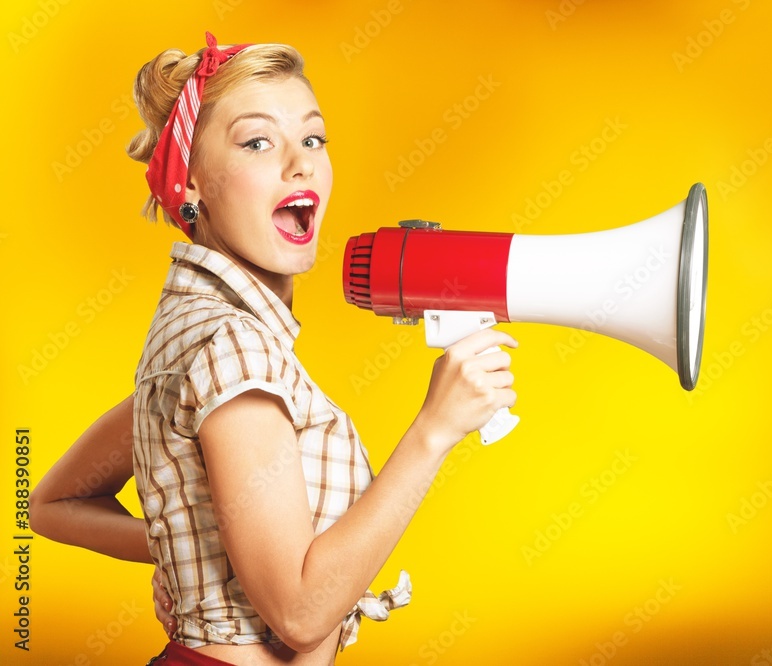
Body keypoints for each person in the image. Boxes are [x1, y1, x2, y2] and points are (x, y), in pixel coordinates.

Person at [31, 33, 517, 666]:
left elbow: (52, 506)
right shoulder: (232, 346)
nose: (301, 163)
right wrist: (435, 430)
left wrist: (198, 546)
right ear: (192, 182)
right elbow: (300, 614)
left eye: (313, 138)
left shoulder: (197, 331)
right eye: (257, 141)